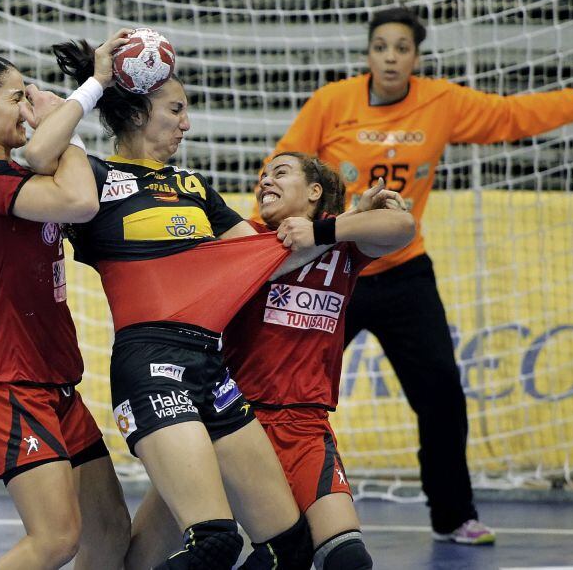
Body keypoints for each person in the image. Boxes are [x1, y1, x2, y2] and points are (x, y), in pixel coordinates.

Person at [263, 6, 573, 545]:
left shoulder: (441, 102)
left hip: (406, 274)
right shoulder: (331, 102)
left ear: (416, 57)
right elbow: (284, 164)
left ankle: (453, 514)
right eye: (381, 46)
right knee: (288, 393)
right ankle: (270, 510)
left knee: (441, 396)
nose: (391, 56)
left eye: (402, 48)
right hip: (333, 272)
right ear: (368, 54)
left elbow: (514, 116)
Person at [34, 38, 337, 570]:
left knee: (289, 548)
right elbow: (39, 153)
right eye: (176, 110)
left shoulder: (194, 187)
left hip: (211, 369)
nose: (187, 125)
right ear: (136, 113)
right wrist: (98, 82)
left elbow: (265, 259)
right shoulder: (95, 178)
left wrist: (339, 227)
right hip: (151, 366)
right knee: (214, 542)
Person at [124, 152, 416, 570]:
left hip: (304, 426)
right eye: (261, 176)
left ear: (315, 192)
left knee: (347, 560)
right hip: (233, 422)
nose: (264, 182)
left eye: (280, 173)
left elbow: (402, 227)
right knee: (150, 554)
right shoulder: (247, 238)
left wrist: (326, 229)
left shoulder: (340, 250)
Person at [0, 31, 134, 569]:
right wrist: (85, 101)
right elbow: (79, 200)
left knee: (109, 531)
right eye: (16, 96)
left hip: (52, 378)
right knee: (56, 539)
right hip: (7, 382)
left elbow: (67, 183)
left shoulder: (15, 173)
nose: (28, 102)